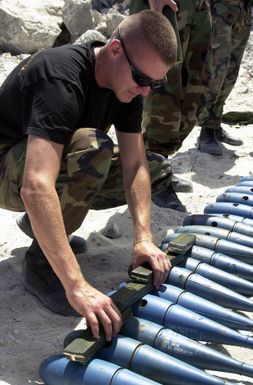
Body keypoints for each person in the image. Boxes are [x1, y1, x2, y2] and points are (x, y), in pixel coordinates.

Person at [0, 10, 177, 341]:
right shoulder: (59, 77)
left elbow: (135, 165)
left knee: (155, 168)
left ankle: (44, 226)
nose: (146, 92)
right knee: (93, 148)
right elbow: (36, 187)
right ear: (114, 50)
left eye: (155, 83)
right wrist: (76, 284)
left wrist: (143, 237)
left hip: (40, 166)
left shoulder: (126, 82)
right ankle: (41, 265)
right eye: (142, 79)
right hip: (7, 172)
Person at [130, 0, 212, 156]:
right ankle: (152, 164)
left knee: (196, 87)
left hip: (197, 7)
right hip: (163, 5)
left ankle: (158, 161)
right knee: (162, 87)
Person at [198, 0, 252, 155]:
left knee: (231, 72)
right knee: (217, 71)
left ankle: (215, 124)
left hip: (244, 12)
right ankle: (206, 130)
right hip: (220, 9)